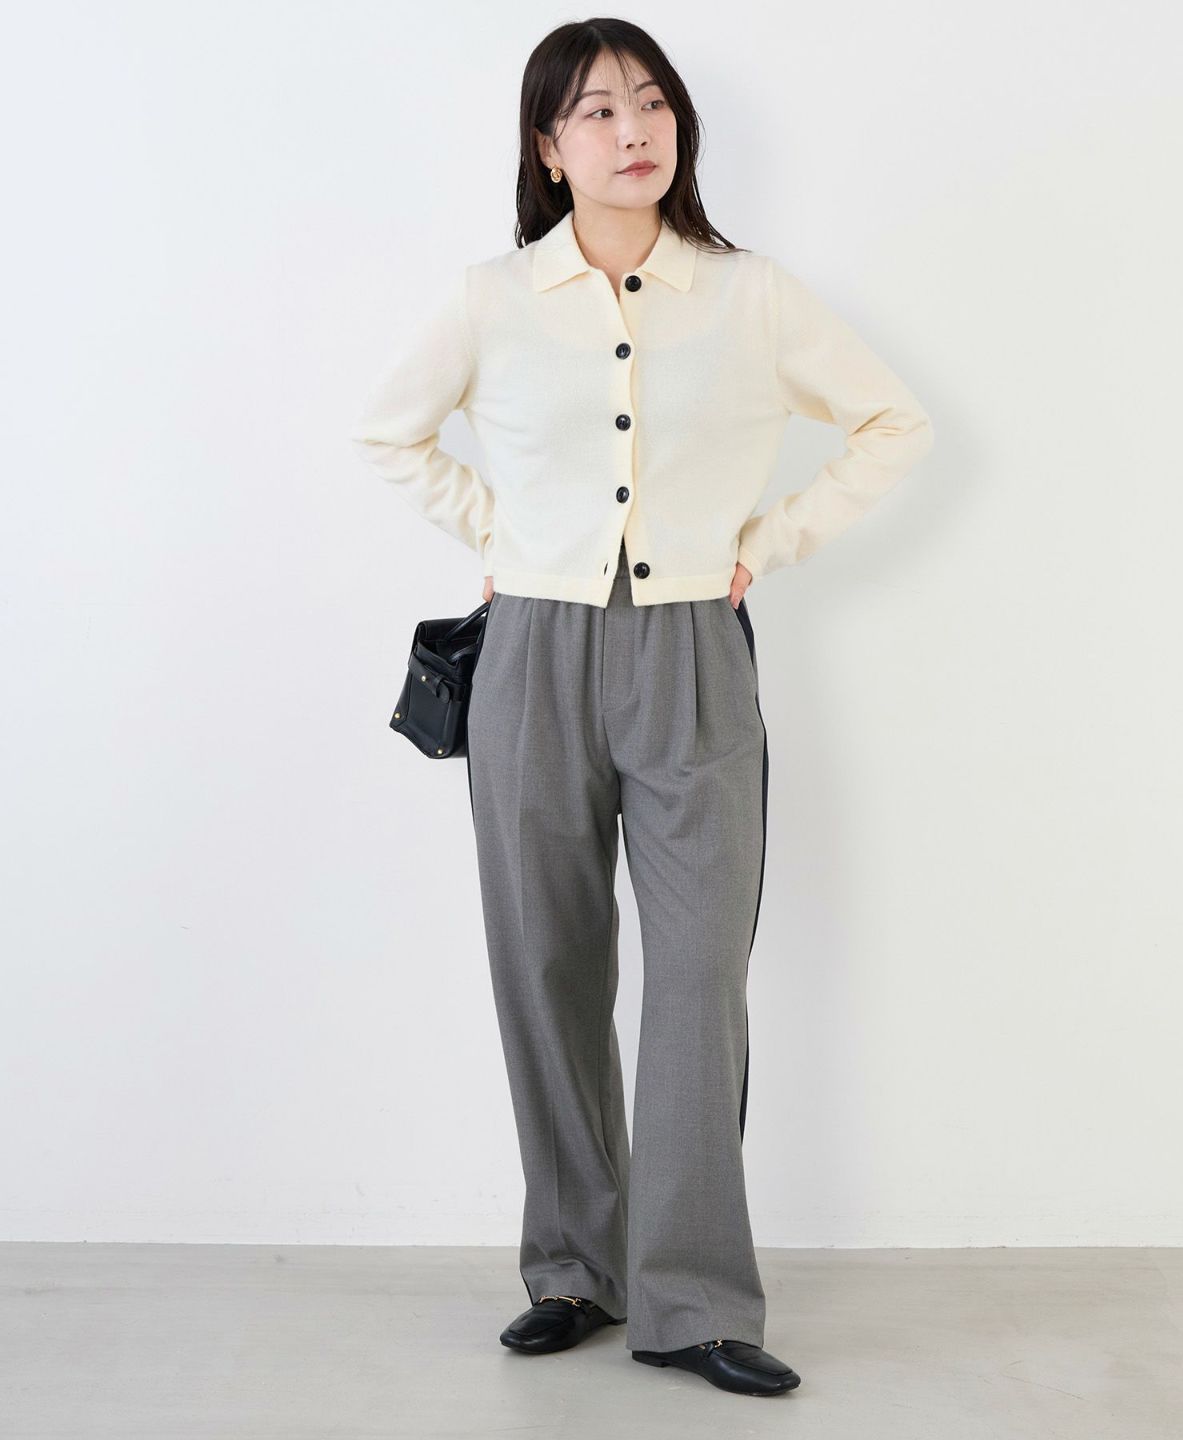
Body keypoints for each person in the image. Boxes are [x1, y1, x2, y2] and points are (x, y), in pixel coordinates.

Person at [349, 18, 933, 1400]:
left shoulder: (750, 294)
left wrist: (766, 543)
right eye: (599, 110)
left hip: (693, 655)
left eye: (653, 103)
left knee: (697, 980)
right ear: (549, 148)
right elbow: (389, 431)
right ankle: (572, 1270)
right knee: (546, 962)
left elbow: (892, 424)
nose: (634, 130)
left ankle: (694, 1301)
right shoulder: (494, 299)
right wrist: (506, 536)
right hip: (531, 656)